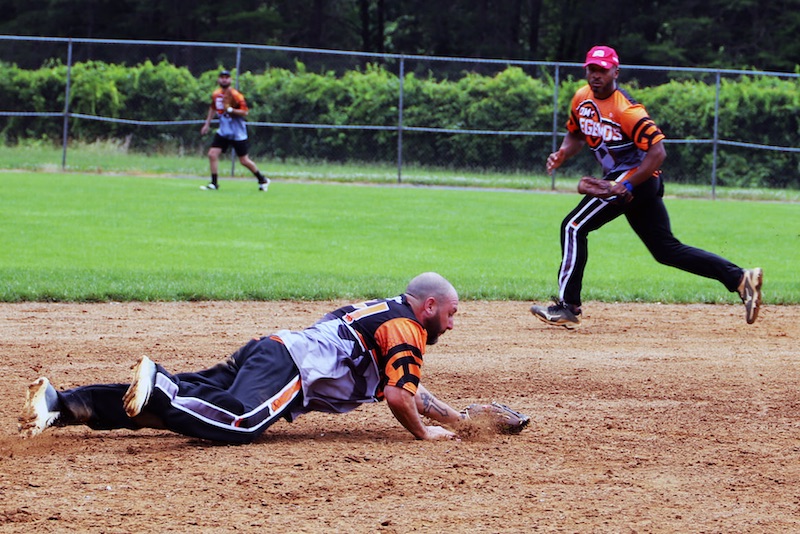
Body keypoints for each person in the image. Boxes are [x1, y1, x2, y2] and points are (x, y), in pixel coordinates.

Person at [19, 273, 466, 443]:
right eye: (450, 314)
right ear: (428, 305)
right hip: (291, 368)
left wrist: (461, 422)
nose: (450, 324)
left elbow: (412, 389)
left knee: (185, 400)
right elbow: (398, 396)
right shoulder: (408, 329)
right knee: (240, 422)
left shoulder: (387, 314)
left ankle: (64, 404)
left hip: (270, 352)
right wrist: (425, 434)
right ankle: (160, 387)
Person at [530, 45, 763, 329]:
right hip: (631, 182)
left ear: (616, 72)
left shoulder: (627, 110)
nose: (595, 75)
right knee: (666, 250)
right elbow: (576, 134)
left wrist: (624, 184)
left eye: (602, 70)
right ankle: (740, 278)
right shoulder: (581, 99)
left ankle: (568, 305)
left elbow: (658, 153)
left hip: (635, 180)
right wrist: (563, 153)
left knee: (574, 227)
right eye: (591, 69)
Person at [199, 69, 270, 192]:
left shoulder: (236, 95)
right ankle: (214, 183)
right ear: (218, 79)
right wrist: (207, 123)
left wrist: (231, 110)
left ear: (230, 80)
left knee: (244, 160)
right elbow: (213, 108)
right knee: (212, 154)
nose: (224, 79)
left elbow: (245, 112)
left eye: (226, 77)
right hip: (224, 131)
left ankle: (262, 179)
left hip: (237, 132)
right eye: (222, 77)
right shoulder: (216, 94)